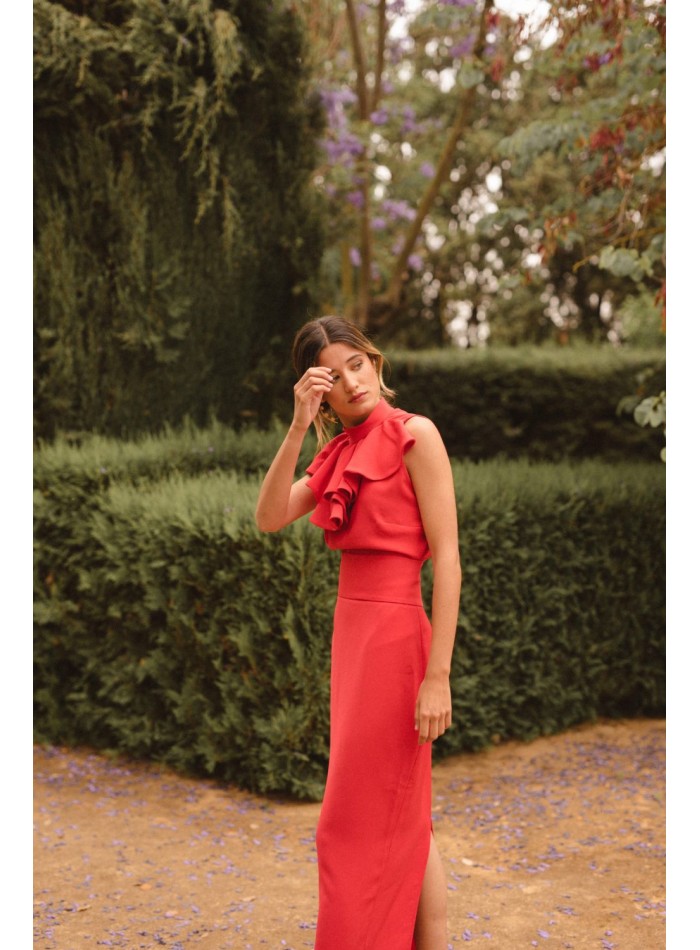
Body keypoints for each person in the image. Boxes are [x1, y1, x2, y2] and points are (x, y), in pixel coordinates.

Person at [255, 316, 461, 950]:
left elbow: (449, 559)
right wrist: (297, 426)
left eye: (356, 365)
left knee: (352, 821)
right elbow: (268, 517)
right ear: (319, 392)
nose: (350, 382)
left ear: (374, 362)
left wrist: (437, 677)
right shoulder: (338, 453)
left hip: (398, 641)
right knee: (400, 813)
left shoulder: (416, 435)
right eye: (331, 377)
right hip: (353, 641)